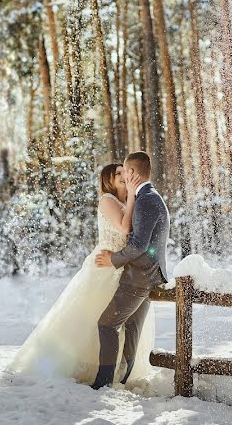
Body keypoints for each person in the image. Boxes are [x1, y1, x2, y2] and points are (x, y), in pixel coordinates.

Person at [8, 160, 156, 385]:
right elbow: (124, 229)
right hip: (104, 267)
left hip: (124, 267)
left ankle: (120, 371)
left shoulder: (128, 201)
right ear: (108, 180)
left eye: (125, 172)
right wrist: (134, 197)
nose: (124, 176)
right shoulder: (108, 200)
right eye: (118, 174)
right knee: (94, 320)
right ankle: (91, 371)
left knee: (123, 324)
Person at [92, 150, 170, 388]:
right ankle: (122, 379)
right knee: (132, 328)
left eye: (125, 171)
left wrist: (113, 259)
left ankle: (103, 383)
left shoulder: (146, 199)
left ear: (133, 172)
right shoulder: (149, 196)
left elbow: (138, 244)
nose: (124, 176)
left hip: (139, 276)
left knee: (106, 325)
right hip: (146, 274)